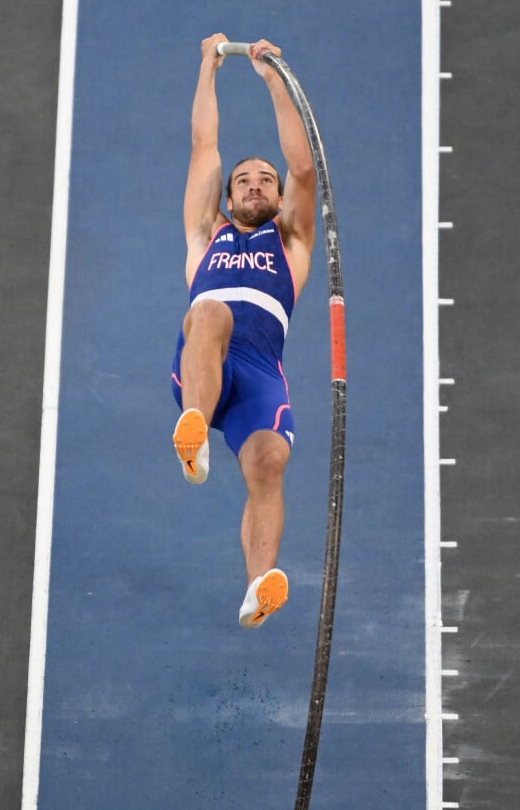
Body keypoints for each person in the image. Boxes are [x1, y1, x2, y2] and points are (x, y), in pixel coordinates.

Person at [171, 33, 315, 628]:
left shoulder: (293, 243)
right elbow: (205, 144)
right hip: (207, 358)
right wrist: (208, 67)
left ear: (279, 198)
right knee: (212, 312)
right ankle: (195, 434)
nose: (256, 183)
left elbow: (304, 167)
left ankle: (258, 586)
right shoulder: (206, 236)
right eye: (244, 180)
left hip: (259, 373)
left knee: (269, 462)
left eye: (265, 180)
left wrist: (273, 80)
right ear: (228, 197)